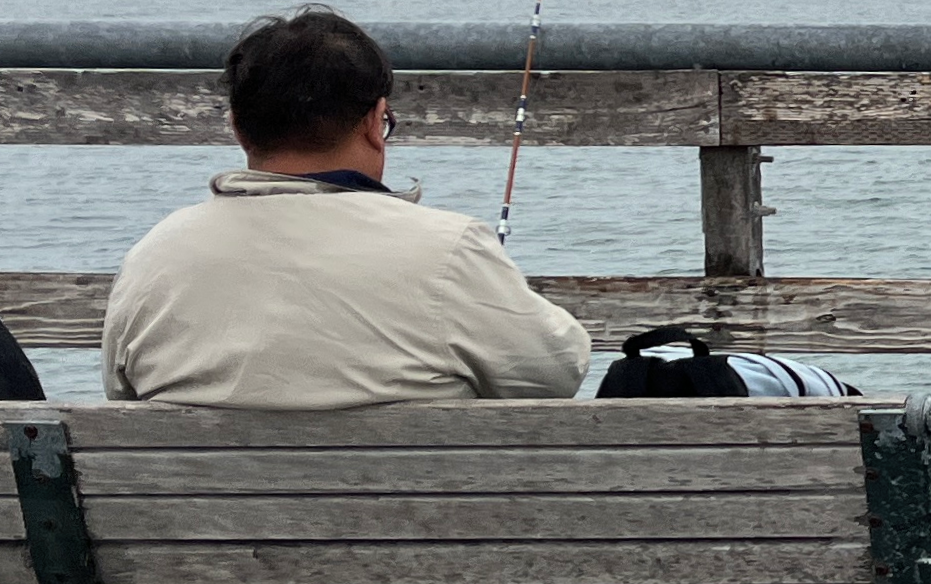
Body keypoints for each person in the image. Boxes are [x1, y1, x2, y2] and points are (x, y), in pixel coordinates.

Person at [101, 4, 589, 410]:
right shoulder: (447, 251)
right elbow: (557, 371)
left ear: (236, 127)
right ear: (375, 122)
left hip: (191, 525)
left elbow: (120, 394)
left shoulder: (156, 254)